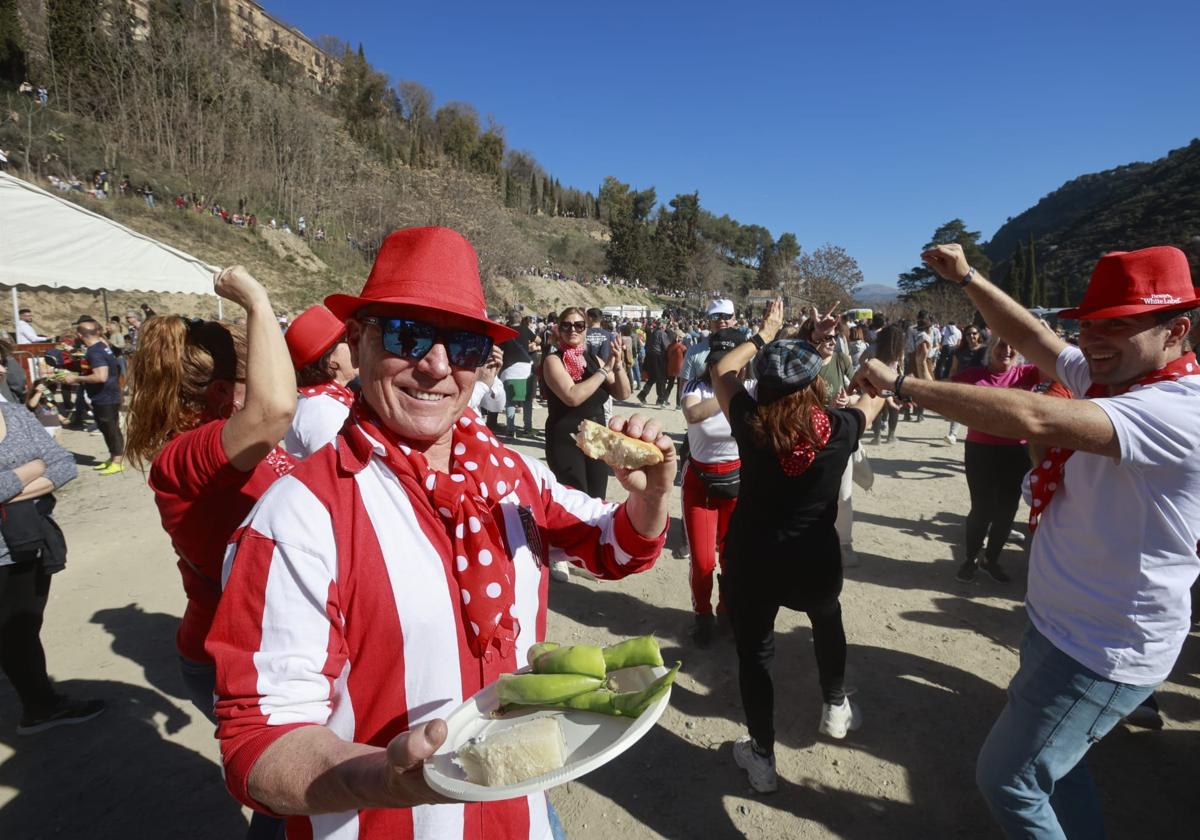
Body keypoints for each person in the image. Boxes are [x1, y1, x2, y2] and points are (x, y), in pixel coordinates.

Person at [206, 226, 674, 839]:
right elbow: (259, 742)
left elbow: (612, 543)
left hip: (522, 813)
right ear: (359, 342)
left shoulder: (511, 474)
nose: (435, 365)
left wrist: (654, 498)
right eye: (407, 335)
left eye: (462, 345)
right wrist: (385, 779)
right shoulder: (298, 517)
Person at [854, 243, 1200, 839]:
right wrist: (967, 279)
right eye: (1089, 324)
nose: (1093, 339)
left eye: (1118, 325)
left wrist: (905, 385)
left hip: (1101, 649)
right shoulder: (1116, 376)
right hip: (1060, 625)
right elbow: (1039, 338)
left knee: (1009, 780)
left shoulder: (1175, 409)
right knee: (1058, 773)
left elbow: (1036, 418)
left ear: (1177, 331)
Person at [713, 300, 885, 794]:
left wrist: (765, 332)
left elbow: (721, 367)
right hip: (814, 557)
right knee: (827, 617)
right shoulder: (840, 430)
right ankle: (835, 705)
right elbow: (871, 398)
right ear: (816, 386)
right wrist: (860, 360)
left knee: (756, 654)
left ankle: (762, 759)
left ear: (762, 386)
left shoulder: (749, 420)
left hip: (753, 558)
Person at [0, 401, 94, 734]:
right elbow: (44, 464)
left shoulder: (14, 414)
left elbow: (63, 464)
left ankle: (40, 705)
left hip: (28, 542)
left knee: (21, 631)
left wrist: (7, 489)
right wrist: (30, 469)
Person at [950, 336, 1042, 583]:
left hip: (1016, 451)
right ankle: (970, 558)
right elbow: (941, 390)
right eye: (1001, 344)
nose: (1008, 350)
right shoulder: (973, 376)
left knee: (1007, 510)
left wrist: (1037, 333)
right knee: (981, 509)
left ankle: (991, 560)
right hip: (981, 449)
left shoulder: (1028, 374)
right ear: (990, 349)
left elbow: (1061, 363)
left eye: (1013, 345)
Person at [680, 328, 743, 647]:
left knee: (733, 557)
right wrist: (727, 390)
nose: (722, 368)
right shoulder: (695, 387)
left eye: (730, 362)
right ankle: (703, 615)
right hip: (700, 485)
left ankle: (728, 611)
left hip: (737, 483)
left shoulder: (754, 388)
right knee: (703, 561)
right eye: (717, 363)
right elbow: (692, 413)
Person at [542, 306, 632, 501]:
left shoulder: (593, 359)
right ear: (559, 329)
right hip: (566, 440)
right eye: (566, 326)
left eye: (578, 325)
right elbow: (572, 396)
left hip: (596, 439)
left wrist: (617, 366)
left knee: (597, 499)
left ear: (586, 329)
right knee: (575, 499)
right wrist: (604, 370)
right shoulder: (553, 360)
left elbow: (623, 393)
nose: (572, 330)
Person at [283, 304, 357, 459]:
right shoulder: (321, 409)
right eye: (347, 339)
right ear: (330, 360)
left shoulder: (325, 401)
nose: (357, 345)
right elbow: (340, 469)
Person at [61, 320, 124, 475]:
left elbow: (101, 376)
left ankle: (118, 461)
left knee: (110, 428)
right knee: (107, 428)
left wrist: (75, 379)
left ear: (79, 335)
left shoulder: (95, 351)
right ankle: (113, 457)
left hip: (105, 396)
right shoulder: (102, 346)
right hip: (108, 394)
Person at [944, 324, 987, 443]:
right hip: (963, 385)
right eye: (968, 334)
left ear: (979, 335)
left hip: (981, 387)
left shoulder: (986, 350)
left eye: (974, 333)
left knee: (976, 413)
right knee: (958, 409)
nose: (971, 336)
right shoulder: (960, 352)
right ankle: (952, 434)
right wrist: (950, 383)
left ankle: (975, 436)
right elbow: (953, 369)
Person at [680, 299, 738, 385]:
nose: (721, 320)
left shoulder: (745, 349)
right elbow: (685, 388)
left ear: (734, 319)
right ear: (709, 321)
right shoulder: (694, 351)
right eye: (715, 316)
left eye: (726, 316)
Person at [665, 331, 687, 407]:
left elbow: (667, 357)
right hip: (680, 369)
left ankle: (664, 400)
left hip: (671, 367)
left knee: (670, 385)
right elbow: (685, 358)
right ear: (681, 338)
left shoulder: (669, 346)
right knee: (679, 387)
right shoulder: (683, 347)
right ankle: (678, 405)